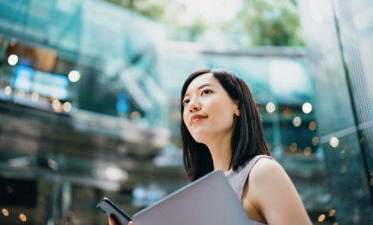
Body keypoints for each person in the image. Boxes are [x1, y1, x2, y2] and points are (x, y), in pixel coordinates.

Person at [109, 68, 312, 225]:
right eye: (186, 101)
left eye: (206, 92)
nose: (192, 105)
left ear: (238, 106)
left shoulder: (261, 172)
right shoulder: (198, 196)